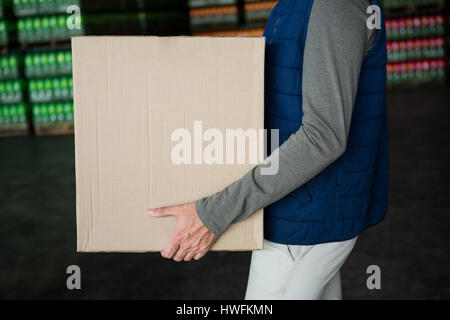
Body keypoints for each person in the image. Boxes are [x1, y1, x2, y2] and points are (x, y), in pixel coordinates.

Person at [147, 0, 388, 300]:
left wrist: (215, 212)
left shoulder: (333, 5)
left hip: (307, 217)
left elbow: (323, 136)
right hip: (292, 206)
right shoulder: (291, 5)